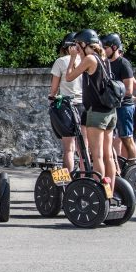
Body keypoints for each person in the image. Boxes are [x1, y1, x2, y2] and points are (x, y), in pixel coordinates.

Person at [65, 29, 118, 195]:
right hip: (110, 112)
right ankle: (109, 192)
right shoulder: (103, 58)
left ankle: (99, 192)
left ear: (83, 44)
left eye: (77, 45)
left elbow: (69, 77)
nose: (76, 48)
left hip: (96, 113)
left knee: (97, 156)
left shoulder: (89, 59)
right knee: (108, 156)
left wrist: (72, 57)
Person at [101, 33, 136, 160]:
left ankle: (132, 165)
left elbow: (129, 89)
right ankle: (118, 164)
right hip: (110, 106)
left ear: (114, 48)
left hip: (124, 106)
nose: (103, 51)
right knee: (109, 139)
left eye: (105, 48)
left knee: (126, 138)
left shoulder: (123, 63)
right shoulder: (104, 64)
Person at [49, 32, 83, 173]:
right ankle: (84, 177)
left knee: (69, 148)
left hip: (67, 106)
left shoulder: (61, 62)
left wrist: (52, 96)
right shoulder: (86, 60)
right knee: (83, 147)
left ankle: (68, 180)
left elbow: (54, 89)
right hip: (83, 106)